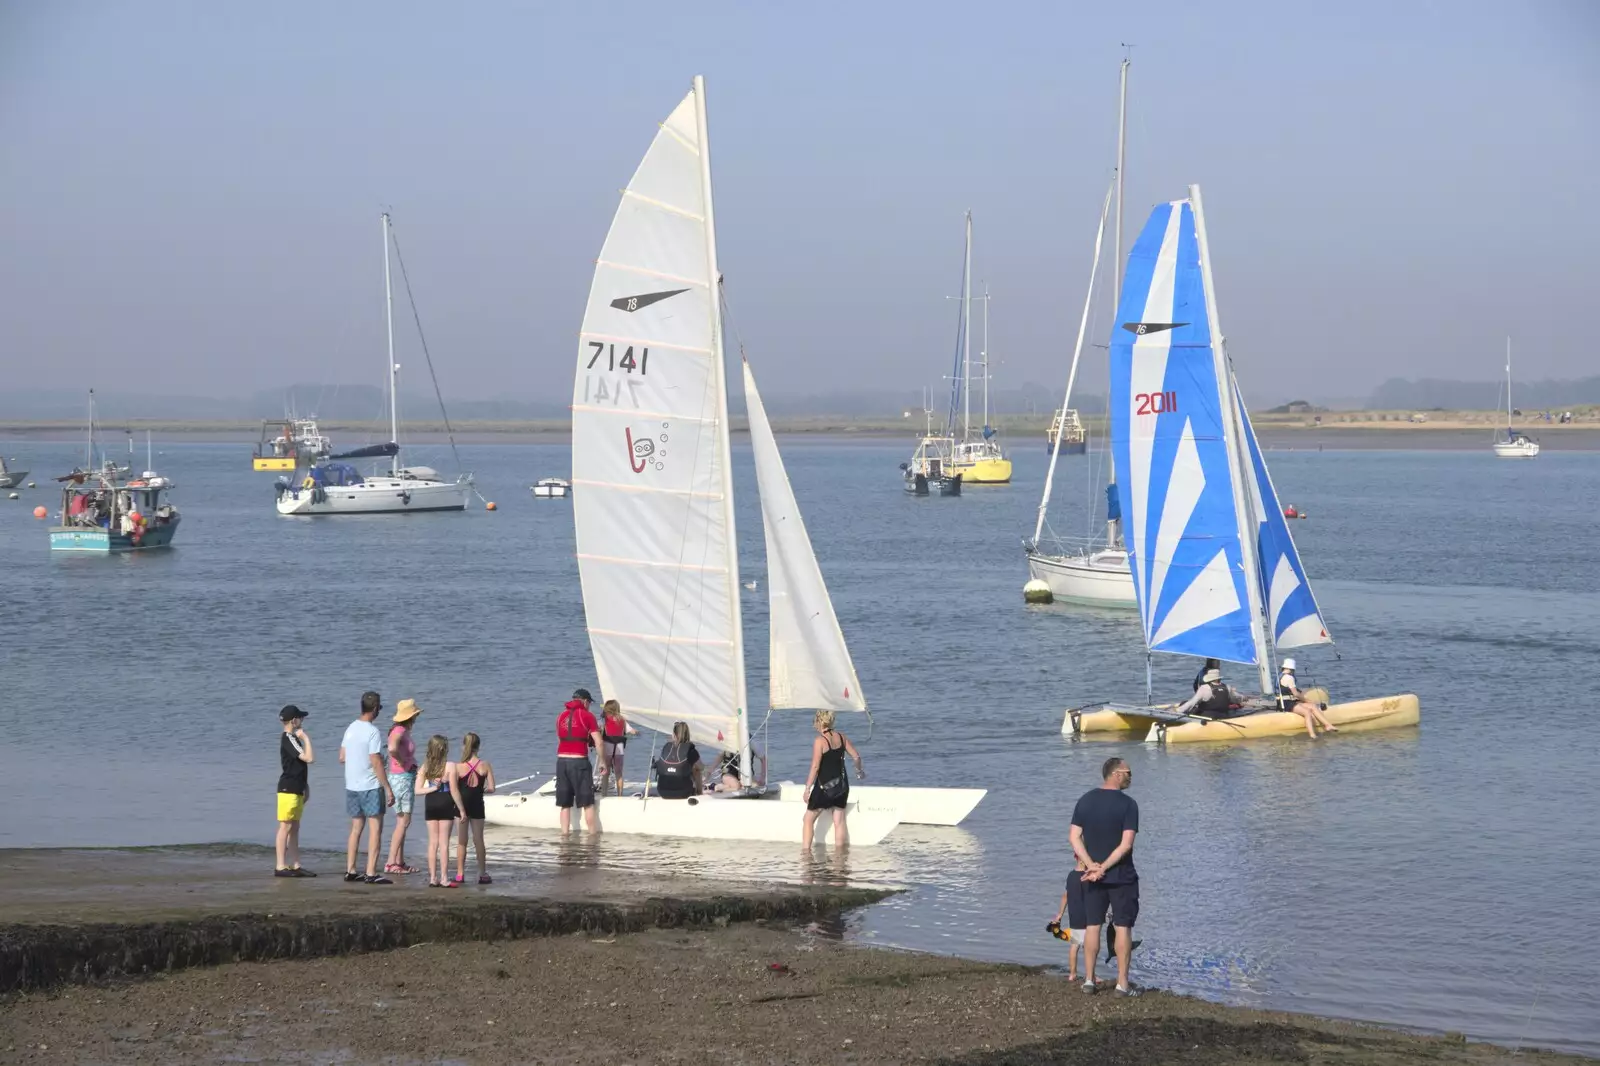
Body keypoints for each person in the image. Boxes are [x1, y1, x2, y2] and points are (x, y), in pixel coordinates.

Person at [1071, 757, 1140, 996]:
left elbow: (1074, 837)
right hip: (1121, 875)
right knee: (1123, 927)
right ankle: (1122, 984)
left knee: (1093, 926)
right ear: (1116, 773)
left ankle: (1089, 980)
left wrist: (1091, 866)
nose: (1131, 777)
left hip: (1091, 877)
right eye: (1128, 772)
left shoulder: (1085, 800)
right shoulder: (1129, 805)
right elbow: (1126, 845)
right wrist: (1104, 868)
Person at [339, 691, 395, 884]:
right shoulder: (372, 731)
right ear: (374, 709)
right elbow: (376, 761)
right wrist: (387, 787)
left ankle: (351, 870)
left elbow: (342, 757)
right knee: (375, 829)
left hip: (351, 785)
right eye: (378, 708)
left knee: (355, 829)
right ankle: (371, 872)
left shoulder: (350, 728)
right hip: (370, 785)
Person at [802, 709, 864, 849]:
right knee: (839, 821)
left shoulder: (820, 741)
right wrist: (859, 771)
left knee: (808, 819)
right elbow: (856, 757)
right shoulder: (841, 737)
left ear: (819, 722)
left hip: (824, 788)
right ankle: (840, 858)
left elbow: (815, 767)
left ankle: (806, 853)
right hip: (842, 786)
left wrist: (807, 789)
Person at [416, 734, 464, 888]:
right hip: (445, 802)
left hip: (430, 802)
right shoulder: (450, 766)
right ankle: (444, 878)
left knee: (432, 843)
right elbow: (455, 791)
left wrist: (432, 788)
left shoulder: (425, 767)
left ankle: (432, 878)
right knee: (444, 843)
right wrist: (462, 810)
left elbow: (417, 790)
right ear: (444, 750)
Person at [274, 705, 315, 878]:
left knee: (295, 827)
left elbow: (300, 765)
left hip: (296, 787)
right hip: (288, 788)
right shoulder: (289, 738)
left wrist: (305, 786)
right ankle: (280, 866)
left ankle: (296, 864)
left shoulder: (291, 738)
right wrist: (305, 738)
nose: (302, 720)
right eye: (300, 718)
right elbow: (309, 758)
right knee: (286, 826)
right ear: (293, 720)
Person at [556, 688, 604, 833]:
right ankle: (592, 836)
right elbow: (599, 742)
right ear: (584, 701)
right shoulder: (588, 716)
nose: (589, 705)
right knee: (587, 803)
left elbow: (560, 739)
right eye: (589, 702)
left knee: (565, 804)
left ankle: (564, 835)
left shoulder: (560, 716)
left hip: (562, 762)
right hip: (579, 763)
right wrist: (603, 761)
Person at [384, 698, 423, 876]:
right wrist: (402, 761)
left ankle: (399, 861)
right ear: (411, 716)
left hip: (403, 777)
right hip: (401, 778)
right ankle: (391, 862)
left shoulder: (401, 730)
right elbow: (391, 748)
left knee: (404, 822)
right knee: (403, 821)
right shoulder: (399, 730)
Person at [453, 732, 495, 885]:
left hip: (461, 807)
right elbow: (492, 788)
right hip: (478, 805)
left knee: (461, 841)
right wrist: (482, 789)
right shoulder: (485, 765)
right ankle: (482, 873)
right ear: (478, 747)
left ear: (464, 746)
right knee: (479, 840)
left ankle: (460, 874)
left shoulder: (457, 767)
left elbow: (454, 789)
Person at [1048, 859, 1089, 981]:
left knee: (1074, 944)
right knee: (1088, 946)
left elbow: (1065, 896)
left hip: (1074, 914)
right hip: (1087, 915)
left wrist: (1060, 914)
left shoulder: (1071, 875)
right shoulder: (1087, 876)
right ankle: (1090, 975)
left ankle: (1072, 974)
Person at [1277, 658, 1338, 738]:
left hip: (1285, 702)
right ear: (1292, 669)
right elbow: (1296, 694)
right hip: (1286, 704)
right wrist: (1306, 700)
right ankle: (1312, 735)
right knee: (1307, 712)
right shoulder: (1289, 678)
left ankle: (1328, 725)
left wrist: (1307, 702)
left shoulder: (1280, 676)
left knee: (1312, 706)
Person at [653, 722, 703, 800]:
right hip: (683, 792)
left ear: (674, 734)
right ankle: (700, 793)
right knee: (696, 769)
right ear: (688, 734)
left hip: (662, 792)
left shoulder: (666, 748)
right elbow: (701, 767)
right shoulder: (691, 750)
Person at [597, 699, 635, 796]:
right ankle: (620, 795)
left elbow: (598, 727)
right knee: (619, 774)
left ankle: (604, 794)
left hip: (608, 748)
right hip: (619, 750)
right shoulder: (622, 720)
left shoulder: (604, 719)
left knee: (606, 773)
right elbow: (632, 731)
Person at [1175, 665, 1241, 720]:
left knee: (1183, 703)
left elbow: (1191, 703)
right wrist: (1242, 699)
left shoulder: (1204, 688)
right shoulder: (1227, 687)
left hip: (1207, 717)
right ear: (1219, 678)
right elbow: (1235, 699)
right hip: (1223, 716)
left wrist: (1177, 710)